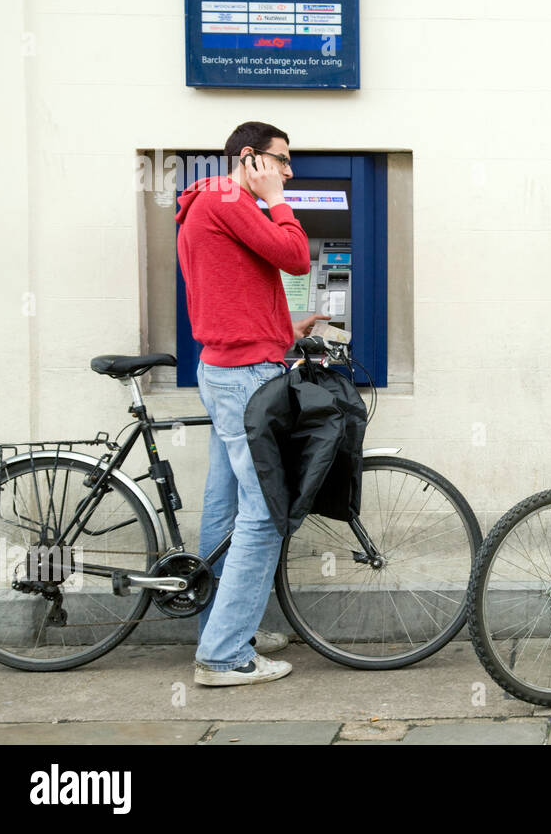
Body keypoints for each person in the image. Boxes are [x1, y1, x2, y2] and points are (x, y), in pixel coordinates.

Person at [175, 121, 328, 686]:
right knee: (265, 513)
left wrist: (282, 328)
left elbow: (231, 293)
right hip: (243, 377)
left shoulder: (209, 203)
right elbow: (295, 257)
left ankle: (223, 627)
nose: (287, 171)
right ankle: (222, 656)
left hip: (229, 365)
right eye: (281, 160)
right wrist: (278, 202)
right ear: (250, 157)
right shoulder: (229, 198)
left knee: (223, 506)